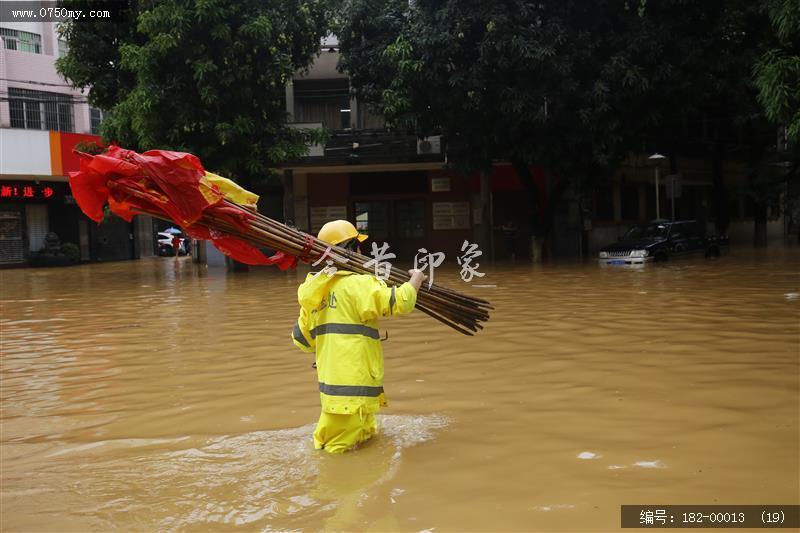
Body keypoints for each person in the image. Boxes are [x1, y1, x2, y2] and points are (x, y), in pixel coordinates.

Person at [291, 219, 427, 454]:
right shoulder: (358, 284)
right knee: (337, 453)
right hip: (356, 385)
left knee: (352, 442)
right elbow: (400, 302)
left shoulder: (312, 291)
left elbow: (302, 341)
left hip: (334, 392)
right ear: (353, 249)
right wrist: (416, 279)